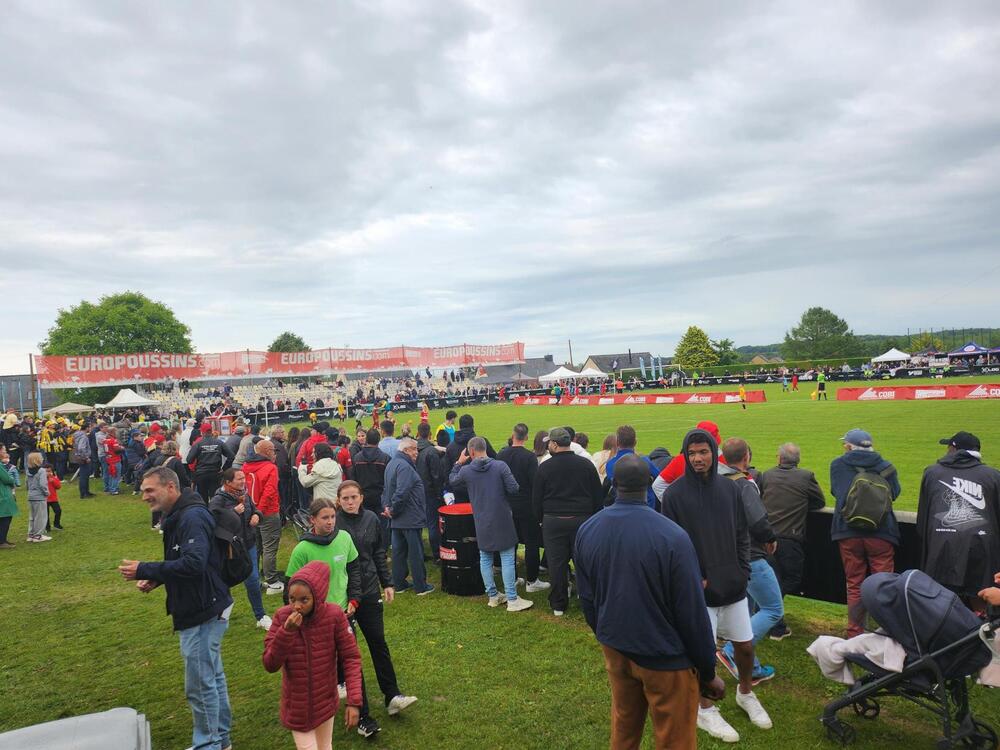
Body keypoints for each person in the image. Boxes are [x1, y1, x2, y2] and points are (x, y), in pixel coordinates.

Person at [576, 454, 724, 750]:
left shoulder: (588, 529)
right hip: (665, 657)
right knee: (675, 740)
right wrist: (707, 672)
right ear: (648, 483)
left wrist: (607, 636)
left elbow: (588, 599)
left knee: (624, 728)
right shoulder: (673, 536)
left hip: (617, 648)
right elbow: (692, 613)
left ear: (614, 483)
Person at [662, 428, 770, 743]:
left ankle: (745, 693)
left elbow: (741, 532)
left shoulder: (730, 489)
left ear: (714, 452)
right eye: (692, 453)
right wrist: (691, 577)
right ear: (685, 456)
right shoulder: (674, 495)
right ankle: (705, 708)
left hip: (732, 584)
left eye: (703, 452)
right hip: (698, 592)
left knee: (745, 647)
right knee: (703, 654)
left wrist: (743, 569)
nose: (698, 458)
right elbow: (671, 544)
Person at [119, 466, 234, 750]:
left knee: (200, 684)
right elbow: (188, 560)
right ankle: (220, 740)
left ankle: (209, 744)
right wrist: (158, 578)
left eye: (150, 490)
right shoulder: (180, 514)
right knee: (212, 677)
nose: (144, 497)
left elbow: (195, 563)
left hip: (202, 609)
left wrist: (145, 569)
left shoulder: (191, 517)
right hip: (204, 604)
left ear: (171, 487)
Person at [336, 481, 419, 724]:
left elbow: (378, 553)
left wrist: (387, 582)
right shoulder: (334, 523)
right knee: (350, 653)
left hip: (370, 590)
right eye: (345, 498)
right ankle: (361, 712)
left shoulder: (371, 519)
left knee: (378, 643)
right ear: (338, 500)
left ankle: (392, 695)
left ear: (361, 497)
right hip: (343, 596)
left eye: (354, 497)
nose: (350, 502)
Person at [262, 561, 364, 748]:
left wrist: (354, 701)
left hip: (325, 704)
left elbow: (351, 657)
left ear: (317, 597)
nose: (296, 606)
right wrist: (286, 632)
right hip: (297, 709)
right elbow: (270, 664)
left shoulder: (334, 616)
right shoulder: (282, 617)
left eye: (304, 600)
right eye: (292, 599)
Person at [716, 438, 780, 685]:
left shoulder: (717, 481)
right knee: (773, 609)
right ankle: (732, 651)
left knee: (746, 610)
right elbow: (757, 519)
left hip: (728, 553)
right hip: (750, 555)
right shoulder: (743, 483)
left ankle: (751, 667)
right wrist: (770, 537)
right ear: (746, 458)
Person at [830, 428, 901, 638]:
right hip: (882, 531)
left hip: (848, 531)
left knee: (854, 584)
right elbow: (894, 493)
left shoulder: (838, 465)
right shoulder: (887, 467)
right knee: (883, 585)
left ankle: (855, 633)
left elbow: (837, 492)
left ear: (848, 446)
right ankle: (886, 633)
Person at [450, 437, 533, 612]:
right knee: (506, 557)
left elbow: (453, 481)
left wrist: (458, 463)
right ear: (485, 448)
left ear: (471, 452)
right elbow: (514, 488)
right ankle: (511, 599)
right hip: (502, 516)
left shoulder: (466, 471)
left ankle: (493, 596)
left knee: (486, 557)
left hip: (481, 518)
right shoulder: (500, 466)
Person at [917, 431, 1000, 604]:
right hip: (982, 550)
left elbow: (922, 520)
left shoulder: (931, 472)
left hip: (941, 549)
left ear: (953, 449)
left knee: (940, 604)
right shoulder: (993, 475)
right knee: (981, 603)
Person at [757, 443, 825, 640]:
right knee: (790, 579)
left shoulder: (767, 475)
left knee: (776, 579)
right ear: (798, 460)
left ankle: (772, 621)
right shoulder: (805, 476)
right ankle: (771, 619)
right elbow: (819, 501)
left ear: (779, 458)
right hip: (789, 538)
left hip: (767, 537)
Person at [532, 427, 603, 615]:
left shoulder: (545, 467)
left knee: (557, 563)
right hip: (581, 519)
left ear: (555, 444)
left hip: (554, 520)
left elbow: (536, 499)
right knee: (583, 560)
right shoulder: (585, 465)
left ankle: (558, 604)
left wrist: (540, 520)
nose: (548, 446)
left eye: (549, 443)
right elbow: (598, 495)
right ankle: (586, 597)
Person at [209, 468, 271, 630]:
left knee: (252, 580)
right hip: (230, 548)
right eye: (239, 479)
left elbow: (254, 509)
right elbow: (211, 519)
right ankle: (220, 615)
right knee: (225, 581)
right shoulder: (218, 499)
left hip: (248, 544)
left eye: (244, 477)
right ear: (228, 482)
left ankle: (261, 616)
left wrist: (257, 515)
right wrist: (232, 512)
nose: (243, 481)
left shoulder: (245, 494)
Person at [496, 423, 549, 592]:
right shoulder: (529, 457)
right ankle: (531, 581)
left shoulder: (502, 454)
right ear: (526, 437)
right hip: (526, 505)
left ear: (513, 436)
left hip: (507, 505)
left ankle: (513, 578)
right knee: (531, 543)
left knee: (510, 543)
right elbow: (535, 483)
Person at [383, 438, 434, 595]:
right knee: (415, 553)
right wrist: (393, 510)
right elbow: (401, 492)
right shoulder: (405, 467)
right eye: (414, 449)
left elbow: (387, 489)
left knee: (398, 552)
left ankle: (399, 584)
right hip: (409, 517)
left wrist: (387, 508)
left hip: (397, 518)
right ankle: (420, 586)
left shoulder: (392, 463)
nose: (416, 453)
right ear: (405, 450)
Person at [244, 440, 284, 596]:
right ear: (268, 452)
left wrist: (253, 511)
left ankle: (255, 579)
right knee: (269, 547)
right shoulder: (270, 468)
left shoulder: (246, 466)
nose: (275, 454)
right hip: (267, 512)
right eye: (274, 451)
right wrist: (259, 511)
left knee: (256, 547)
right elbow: (269, 492)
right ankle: (272, 581)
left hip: (252, 512)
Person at [604, 425, 658, 509]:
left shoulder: (610, 464)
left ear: (617, 443)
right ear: (635, 442)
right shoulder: (644, 461)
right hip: (645, 505)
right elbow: (659, 478)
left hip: (621, 507)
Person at [414, 422, 446, 561]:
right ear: (430, 434)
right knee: (433, 523)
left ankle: (420, 551)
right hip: (430, 492)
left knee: (420, 522)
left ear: (418, 433)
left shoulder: (413, 449)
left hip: (417, 491)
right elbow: (436, 475)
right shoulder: (431, 452)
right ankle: (437, 554)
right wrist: (440, 494)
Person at [186, 422, 235, 503]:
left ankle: (205, 510)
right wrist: (224, 468)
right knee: (215, 497)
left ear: (202, 432)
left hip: (201, 474)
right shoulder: (219, 442)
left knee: (203, 498)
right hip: (215, 474)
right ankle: (214, 510)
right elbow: (231, 456)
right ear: (211, 431)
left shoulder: (198, 444)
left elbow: (189, 460)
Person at [25, 452, 51, 543]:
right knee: (40, 517)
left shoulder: (28, 470)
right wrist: (47, 493)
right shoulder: (41, 471)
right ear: (37, 460)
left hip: (31, 496)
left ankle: (31, 534)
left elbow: (27, 483)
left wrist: (30, 491)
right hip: (39, 497)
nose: (42, 459)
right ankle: (38, 536)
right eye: (41, 457)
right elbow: (43, 484)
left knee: (32, 516)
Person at [0, 444, 19, 549]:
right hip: (3, 494)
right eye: (3, 450)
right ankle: (2, 541)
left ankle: (3, 539)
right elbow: (6, 479)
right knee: (5, 517)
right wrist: (12, 480)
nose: (5, 452)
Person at [72, 423, 95, 498]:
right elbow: (81, 448)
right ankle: (84, 493)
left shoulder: (77, 435)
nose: (90, 429)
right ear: (87, 428)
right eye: (90, 427)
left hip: (78, 456)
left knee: (84, 475)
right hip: (83, 457)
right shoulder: (83, 436)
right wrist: (86, 457)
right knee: (84, 476)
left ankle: (86, 491)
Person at [44, 461, 63, 531]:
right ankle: (47, 527)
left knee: (58, 511)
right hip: (45, 499)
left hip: (53, 499)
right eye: (46, 471)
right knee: (46, 514)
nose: (48, 473)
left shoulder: (54, 478)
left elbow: (58, 486)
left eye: (49, 471)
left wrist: (53, 481)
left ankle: (56, 524)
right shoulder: (41, 479)